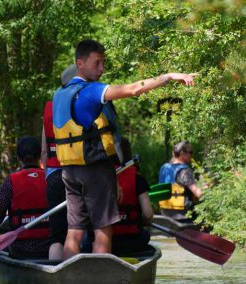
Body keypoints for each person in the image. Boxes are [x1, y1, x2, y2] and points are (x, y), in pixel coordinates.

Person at [52, 39, 197, 259]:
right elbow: (133, 90)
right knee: (103, 229)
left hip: (69, 170)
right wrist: (168, 77)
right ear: (80, 63)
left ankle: (69, 280)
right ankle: (99, 280)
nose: (102, 69)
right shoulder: (90, 91)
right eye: (97, 63)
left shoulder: (60, 94)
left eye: (104, 63)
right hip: (94, 170)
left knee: (75, 230)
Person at [0, 136, 53, 258]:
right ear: (40, 156)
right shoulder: (52, 178)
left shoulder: (10, 181)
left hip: (20, 248)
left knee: (2, 244)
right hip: (51, 247)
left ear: (18, 158)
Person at [41, 64, 77, 259]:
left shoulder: (50, 106)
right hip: (78, 174)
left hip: (54, 175)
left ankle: (55, 271)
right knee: (79, 230)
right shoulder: (83, 102)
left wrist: (48, 176)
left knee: (57, 233)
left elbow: (45, 151)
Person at [112, 137, 153, 255]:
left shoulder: (100, 178)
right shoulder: (138, 179)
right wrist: (144, 221)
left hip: (106, 240)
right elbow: (148, 214)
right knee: (145, 234)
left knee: (86, 240)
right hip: (132, 240)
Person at [158, 141, 202, 223]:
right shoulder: (185, 171)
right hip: (183, 215)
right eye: (190, 152)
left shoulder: (164, 168)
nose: (192, 155)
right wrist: (207, 186)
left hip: (165, 213)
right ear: (182, 153)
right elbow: (199, 193)